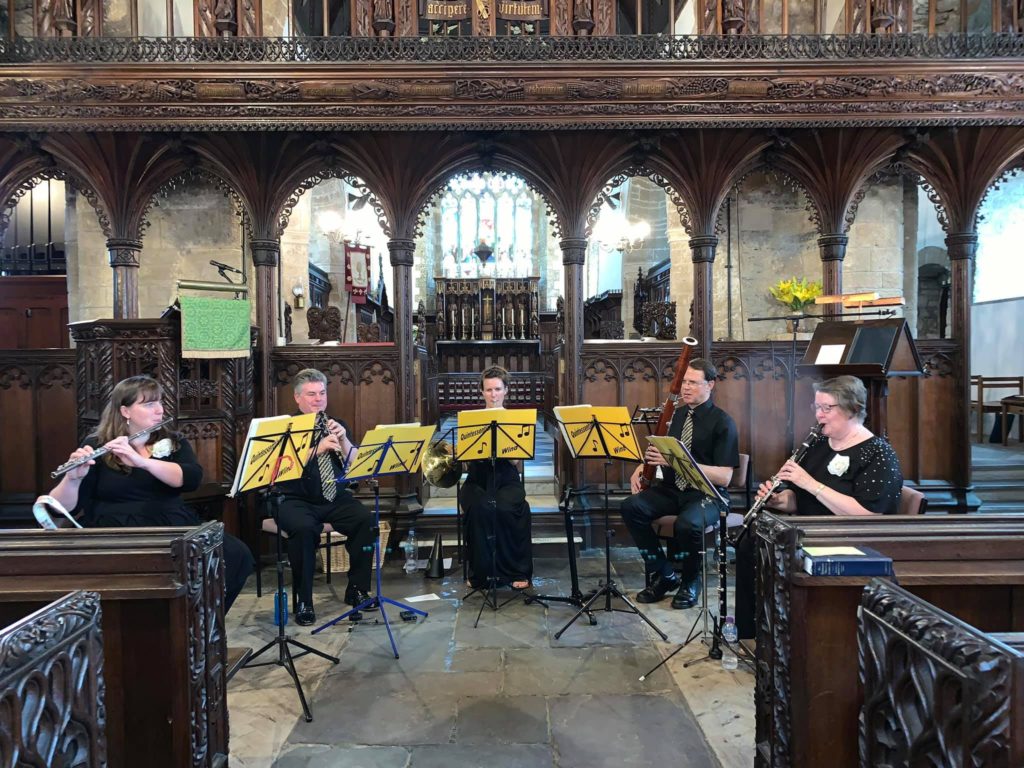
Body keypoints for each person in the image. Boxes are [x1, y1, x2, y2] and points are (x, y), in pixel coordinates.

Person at [42, 375, 254, 612]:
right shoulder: (98, 443)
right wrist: (73, 478)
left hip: (170, 523)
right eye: (149, 404)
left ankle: (200, 623)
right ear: (125, 411)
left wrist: (142, 462)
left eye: (160, 402)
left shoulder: (173, 441)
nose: (159, 410)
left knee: (238, 556)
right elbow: (63, 506)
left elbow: (190, 478)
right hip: (116, 529)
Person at [734, 375, 904, 638]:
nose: (819, 415)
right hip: (811, 528)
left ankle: (789, 632)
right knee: (751, 539)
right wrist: (779, 500)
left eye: (827, 408)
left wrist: (810, 483)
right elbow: (799, 499)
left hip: (849, 539)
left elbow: (869, 514)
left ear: (853, 410)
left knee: (765, 546)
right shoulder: (818, 444)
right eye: (817, 407)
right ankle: (756, 631)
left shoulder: (878, 454)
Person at [620, 358, 739, 610]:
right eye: (684, 382)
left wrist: (677, 461)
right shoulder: (677, 415)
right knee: (631, 507)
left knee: (689, 524)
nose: (686, 388)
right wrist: (643, 465)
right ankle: (663, 573)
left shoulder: (723, 422)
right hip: (674, 489)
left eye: (693, 383)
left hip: (707, 493)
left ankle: (690, 582)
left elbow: (725, 477)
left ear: (710, 385)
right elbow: (661, 450)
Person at [276, 368, 375, 626]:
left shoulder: (336, 423)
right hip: (295, 499)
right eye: (311, 394)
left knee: (365, 520)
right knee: (304, 529)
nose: (318, 399)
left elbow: (356, 464)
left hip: (334, 498)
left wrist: (343, 439)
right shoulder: (285, 428)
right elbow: (279, 469)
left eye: (322, 393)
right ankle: (304, 600)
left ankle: (357, 588)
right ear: (297, 398)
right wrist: (316, 449)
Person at [461, 365, 533, 590]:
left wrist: (506, 444)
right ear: (481, 392)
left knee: (506, 508)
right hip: (477, 478)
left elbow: (517, 464)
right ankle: (481, 573)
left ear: (506, 391)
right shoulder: (470, 420)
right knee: (478, 508)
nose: (493, 395)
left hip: (506, 477)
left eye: (497, 389)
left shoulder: (515, 419)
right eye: (488, 390)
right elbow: (466, 464)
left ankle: (516, 570)